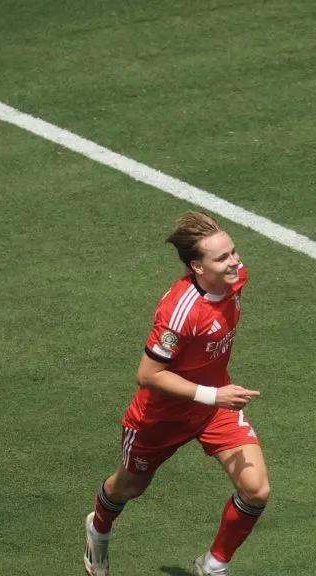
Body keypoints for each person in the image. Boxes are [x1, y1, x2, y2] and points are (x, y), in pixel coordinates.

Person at [83, 211, 270, 576]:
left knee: (256, 490)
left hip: (214, 408)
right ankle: (99, 529)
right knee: (129, 488)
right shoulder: (180, 312)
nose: (235, 262)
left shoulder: (235, 280)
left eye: (233, 252)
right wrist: (212, 395)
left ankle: (212, 566)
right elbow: (147, 374)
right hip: (160, 418)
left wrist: (214, 398)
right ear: (197, 267)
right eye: (222, 258)